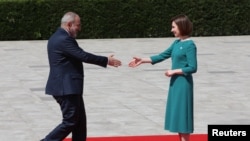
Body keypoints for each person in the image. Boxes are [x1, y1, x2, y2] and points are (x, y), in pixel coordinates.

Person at [41, 11, 121, 141]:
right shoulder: (63, 39)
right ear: (69, 24)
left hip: (69, 87)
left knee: (79, 122)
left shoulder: (58, 36)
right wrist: (106, 60)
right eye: (78, 25)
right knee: (70, 121)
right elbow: (82, 55)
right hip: (65, 88)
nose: (79, 28)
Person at [128, 14, 197, 141]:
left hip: (183, 84)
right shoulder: (176, 43)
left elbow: (193, 67)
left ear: (182, 26)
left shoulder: (190, 45)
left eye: (173, 27)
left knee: (183, 117)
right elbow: (161, 56)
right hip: (175, 84)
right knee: (177, 116)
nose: (171, 30)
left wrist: (174, 71)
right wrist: (142, 60)